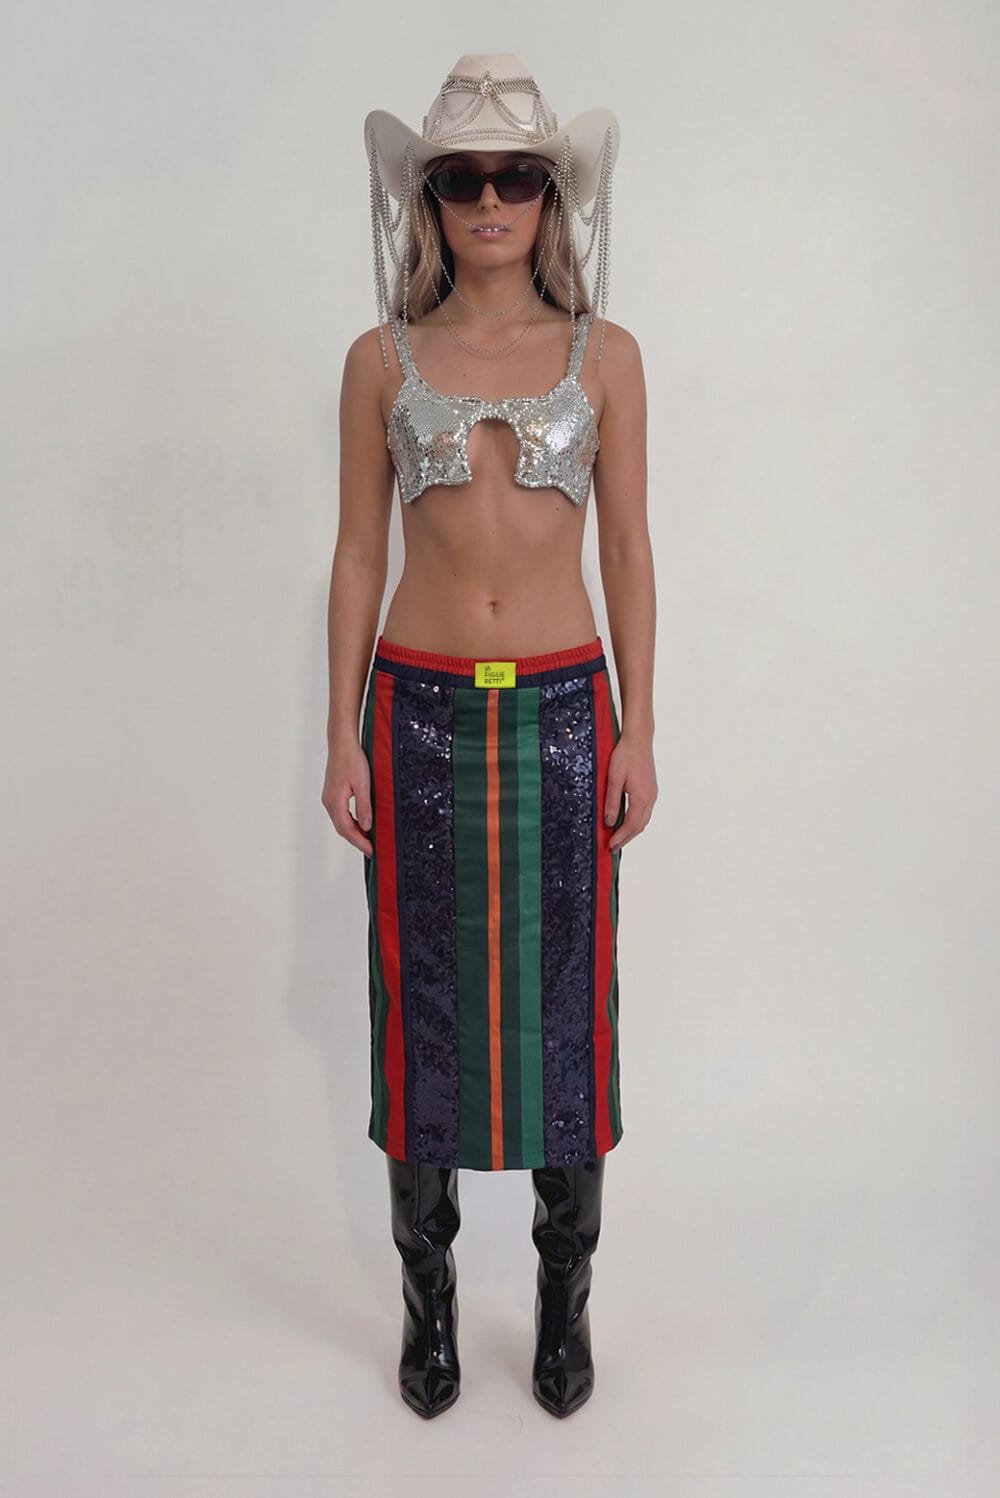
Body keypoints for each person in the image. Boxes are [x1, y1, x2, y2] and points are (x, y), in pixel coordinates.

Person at [322, 52, 657, 1420]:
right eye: (464, 178)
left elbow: (628, 549)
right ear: (432, 199)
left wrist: (641, 728)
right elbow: (358, 554)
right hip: (418, 716)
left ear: (551, 195)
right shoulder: (380, 360)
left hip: (568, 716)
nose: (491, 200)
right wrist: (341, 736)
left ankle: (565, 1303)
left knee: (572, 1010)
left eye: (517, 175)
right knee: (423, 1011)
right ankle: (431, 1302)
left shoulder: (608, 357)